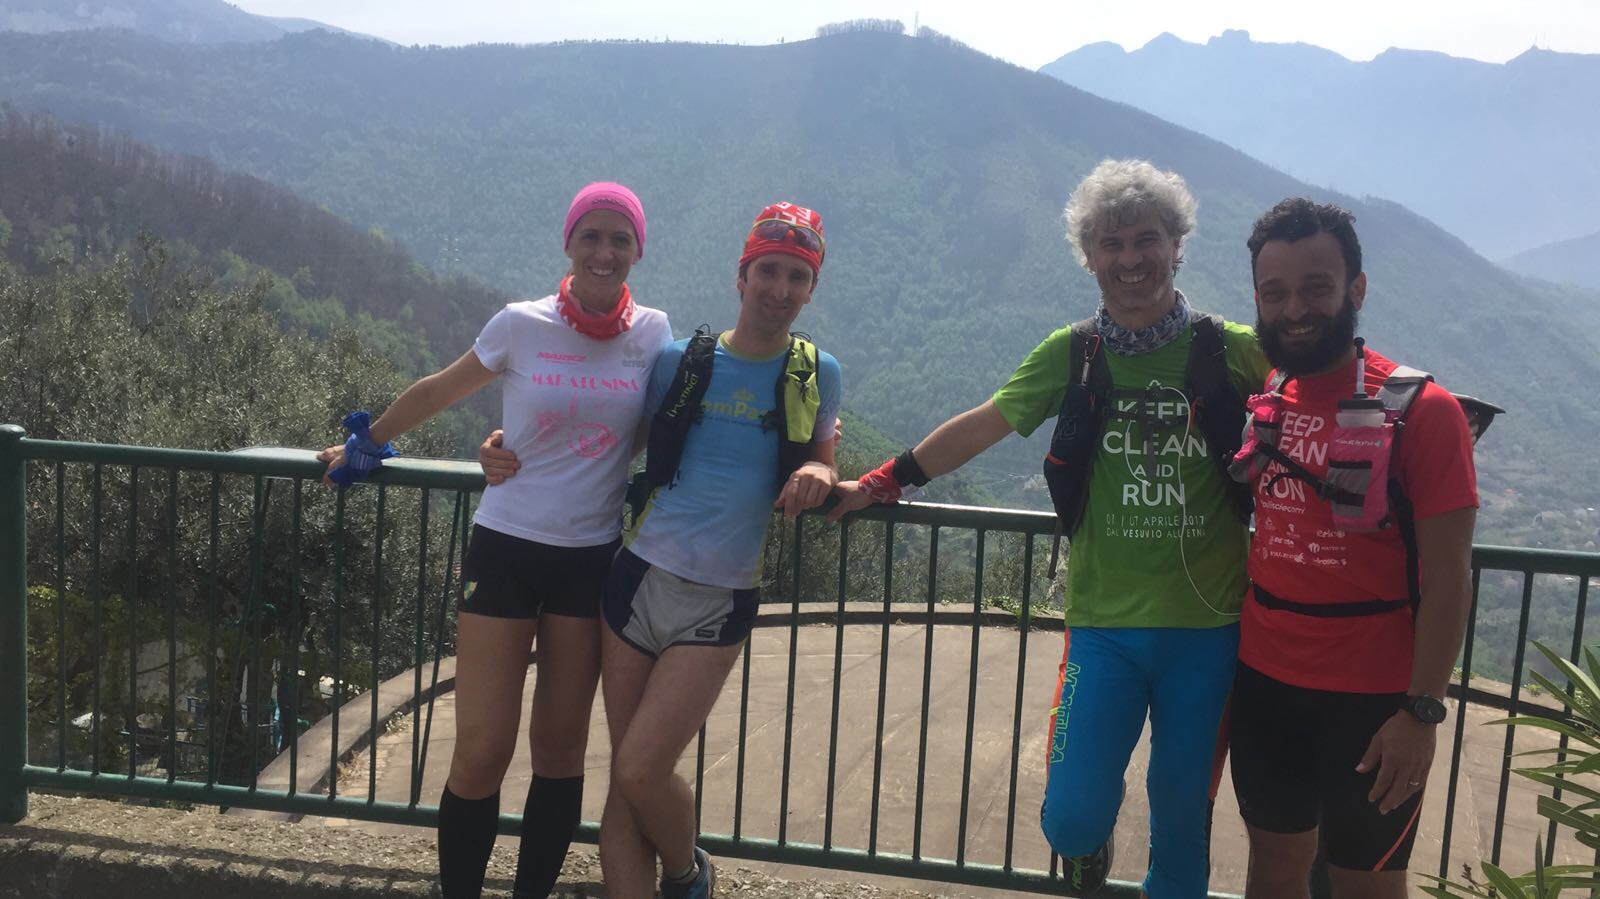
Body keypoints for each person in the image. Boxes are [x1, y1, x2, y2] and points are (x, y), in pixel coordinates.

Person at [829, 159, 1268, 898]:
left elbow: (1318, 381)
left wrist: (1412, 409)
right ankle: (1088, 849)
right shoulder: (1074, 353)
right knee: (1070, 818)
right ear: (1088, 254)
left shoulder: (1229, 349)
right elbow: (984, 425)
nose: (1130, 259)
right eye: (1111, 243)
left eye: (1146, 239)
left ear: (1177, 244)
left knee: (1181, 822)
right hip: (1103, 628)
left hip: (1211, 630)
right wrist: (882, 480)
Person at [319, 183, 672, 899]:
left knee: (560, 751)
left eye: (620, 239)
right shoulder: (521, 322)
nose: (604, 252)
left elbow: (652, 427)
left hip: (588, 559)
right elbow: (439, 389)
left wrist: (812, 440)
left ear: (638, 250)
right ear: (568, 243)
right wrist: (366, 443)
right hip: (506, 545)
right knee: (481, 748)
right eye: (591, 236)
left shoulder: (653, 333)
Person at [487, 201, 842, 899]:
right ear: (741, 276)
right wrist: (505, 447)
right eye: (768, 271)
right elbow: (611, 437)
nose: (779, 289)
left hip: (720, 598)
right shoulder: (682, 361)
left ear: (811, 289)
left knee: (640, 769)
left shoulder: (814, 372)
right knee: (626, 782)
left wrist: (820, 476)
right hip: (637, 581)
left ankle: (686, 872)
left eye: (796, 277)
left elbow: (822, 460)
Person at [1227, 198, 1477, 899]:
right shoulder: (1274, 391)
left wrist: (1421, 712)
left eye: (1316, 288)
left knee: (1365, 884)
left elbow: (1451, 577)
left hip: (1374, 703)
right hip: (1265, 684)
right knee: (1274, 867)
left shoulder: (1426, 413)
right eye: (1274, 293)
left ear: (1356, 289)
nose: (1294, 310)